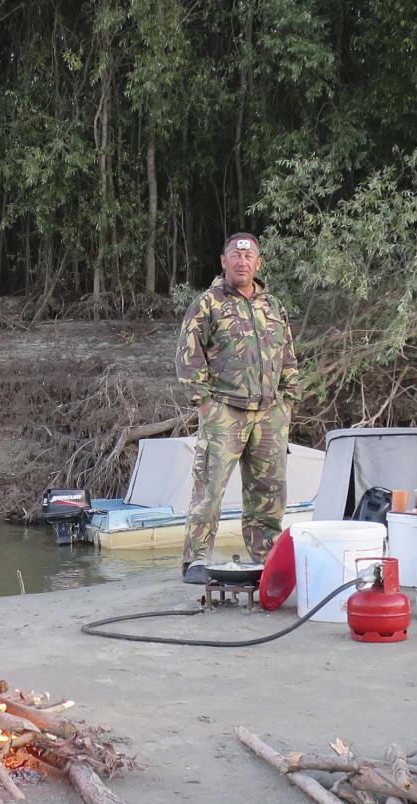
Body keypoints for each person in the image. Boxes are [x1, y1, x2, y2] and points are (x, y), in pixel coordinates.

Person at [175, 232, 300, 584]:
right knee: (209, 489)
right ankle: (197, 560)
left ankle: (267, 559)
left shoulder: (272, 305)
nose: (242, 262)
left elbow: (288, 355)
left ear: (258, 263)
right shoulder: (207, 303)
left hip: (270, 413)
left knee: (268, 494)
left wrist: (288, 400)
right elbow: (188, 356)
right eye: (235, 255)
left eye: (248, 257)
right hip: (224, 411)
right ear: (223, 261)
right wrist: (204, 404)